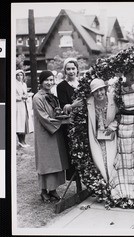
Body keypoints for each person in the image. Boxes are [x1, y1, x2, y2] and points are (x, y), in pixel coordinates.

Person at [109, 68, 134, 199]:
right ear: (124, 74)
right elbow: (114, 109)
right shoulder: (117, 91)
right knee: (125, 155)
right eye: (131, 74)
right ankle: (124, 185)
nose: (133, 77)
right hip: (124, 125)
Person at [32, 70, 69, 202]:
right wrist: (64, 121)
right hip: (45, 134)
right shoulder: (37, 98)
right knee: (45, 162)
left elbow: (56, 112)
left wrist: (63, 115)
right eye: (46, 80)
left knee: (55, 162)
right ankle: (43, 191)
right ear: (41, 82)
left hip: (55, 132)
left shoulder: (52, 96)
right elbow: (44, 118)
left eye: (51, 80)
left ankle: (52, 190)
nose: (49, 82)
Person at [56, 58, 83, 180]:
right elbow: (63, 106)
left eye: (73, 68)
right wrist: (73, 105)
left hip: (84, 121)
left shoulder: (82, 84)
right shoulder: (61, 86)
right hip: (70, 123)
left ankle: (87, 177)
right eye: (68, 69)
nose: (71, 71)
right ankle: (76, 178)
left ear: (77, 69)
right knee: (73, 150)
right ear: (65, 70)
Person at [87, 78, 118, 183]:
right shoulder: (89, 102)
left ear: (105, 89)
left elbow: (120, 114)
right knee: (100, 161)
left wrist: (112, 126)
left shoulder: (113, 99)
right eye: (95, 91)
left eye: (101, 89)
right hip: (97, 136)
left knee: (112, 160)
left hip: (111, 134)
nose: (99, 93)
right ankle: (104, 185)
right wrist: (70, 106)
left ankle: (114, 183)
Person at [16, 69, 31, 148]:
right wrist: (21, 97)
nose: (19, 77)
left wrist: (27, 96)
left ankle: (24, 141)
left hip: (24, 104)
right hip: (18, 105)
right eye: (18, 75)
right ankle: (20, 141)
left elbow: (25, 93)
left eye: (21, 75)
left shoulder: (24, 84)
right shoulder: (14, 84)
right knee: (19, 123)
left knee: (25, 122)